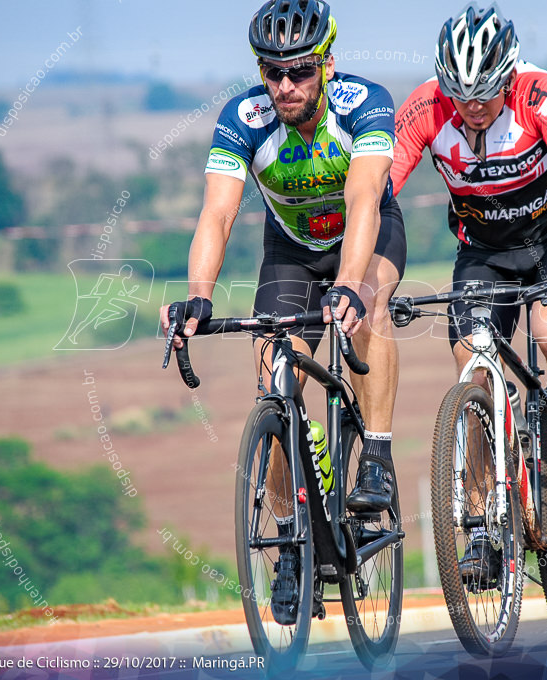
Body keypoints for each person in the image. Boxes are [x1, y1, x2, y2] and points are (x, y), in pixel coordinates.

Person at [159, 0, 405, 625]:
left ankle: (374, 453)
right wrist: (200, 295)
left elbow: (363, 198)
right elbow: (217, 214)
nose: (285, 86)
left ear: (325, 63)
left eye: (298, 71)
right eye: (272, 72)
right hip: (290, 252)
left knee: (368, 309)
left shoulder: (365, 104)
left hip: (365, 237)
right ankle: (292, 542)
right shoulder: (243, 118)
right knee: (277, 386)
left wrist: (349, 285)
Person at [390, 3, 547, 586]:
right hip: (483, 253)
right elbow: (378, 188)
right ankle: (484, 528)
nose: (472, 106)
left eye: (486, 94)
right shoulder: (424, 108)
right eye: (460, 94)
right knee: (472, 369)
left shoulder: (542, 95)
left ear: (508, 75)